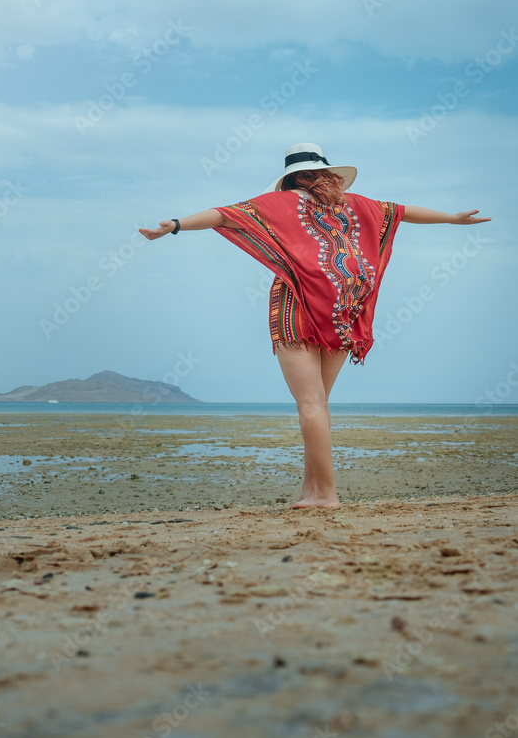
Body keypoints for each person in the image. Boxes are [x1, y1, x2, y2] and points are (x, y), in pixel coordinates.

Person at [139, 143, 491, 510]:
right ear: (327, 171)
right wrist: (452, 218)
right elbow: (402, 212)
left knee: (309, 404)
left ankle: (326, 494)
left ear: (291, 176)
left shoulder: (280, 202)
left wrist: (176, 225)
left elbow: (223, 216)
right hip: (345, 308)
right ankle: (312, 489)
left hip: (299, 304)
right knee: (319, 404)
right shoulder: (356, 204)